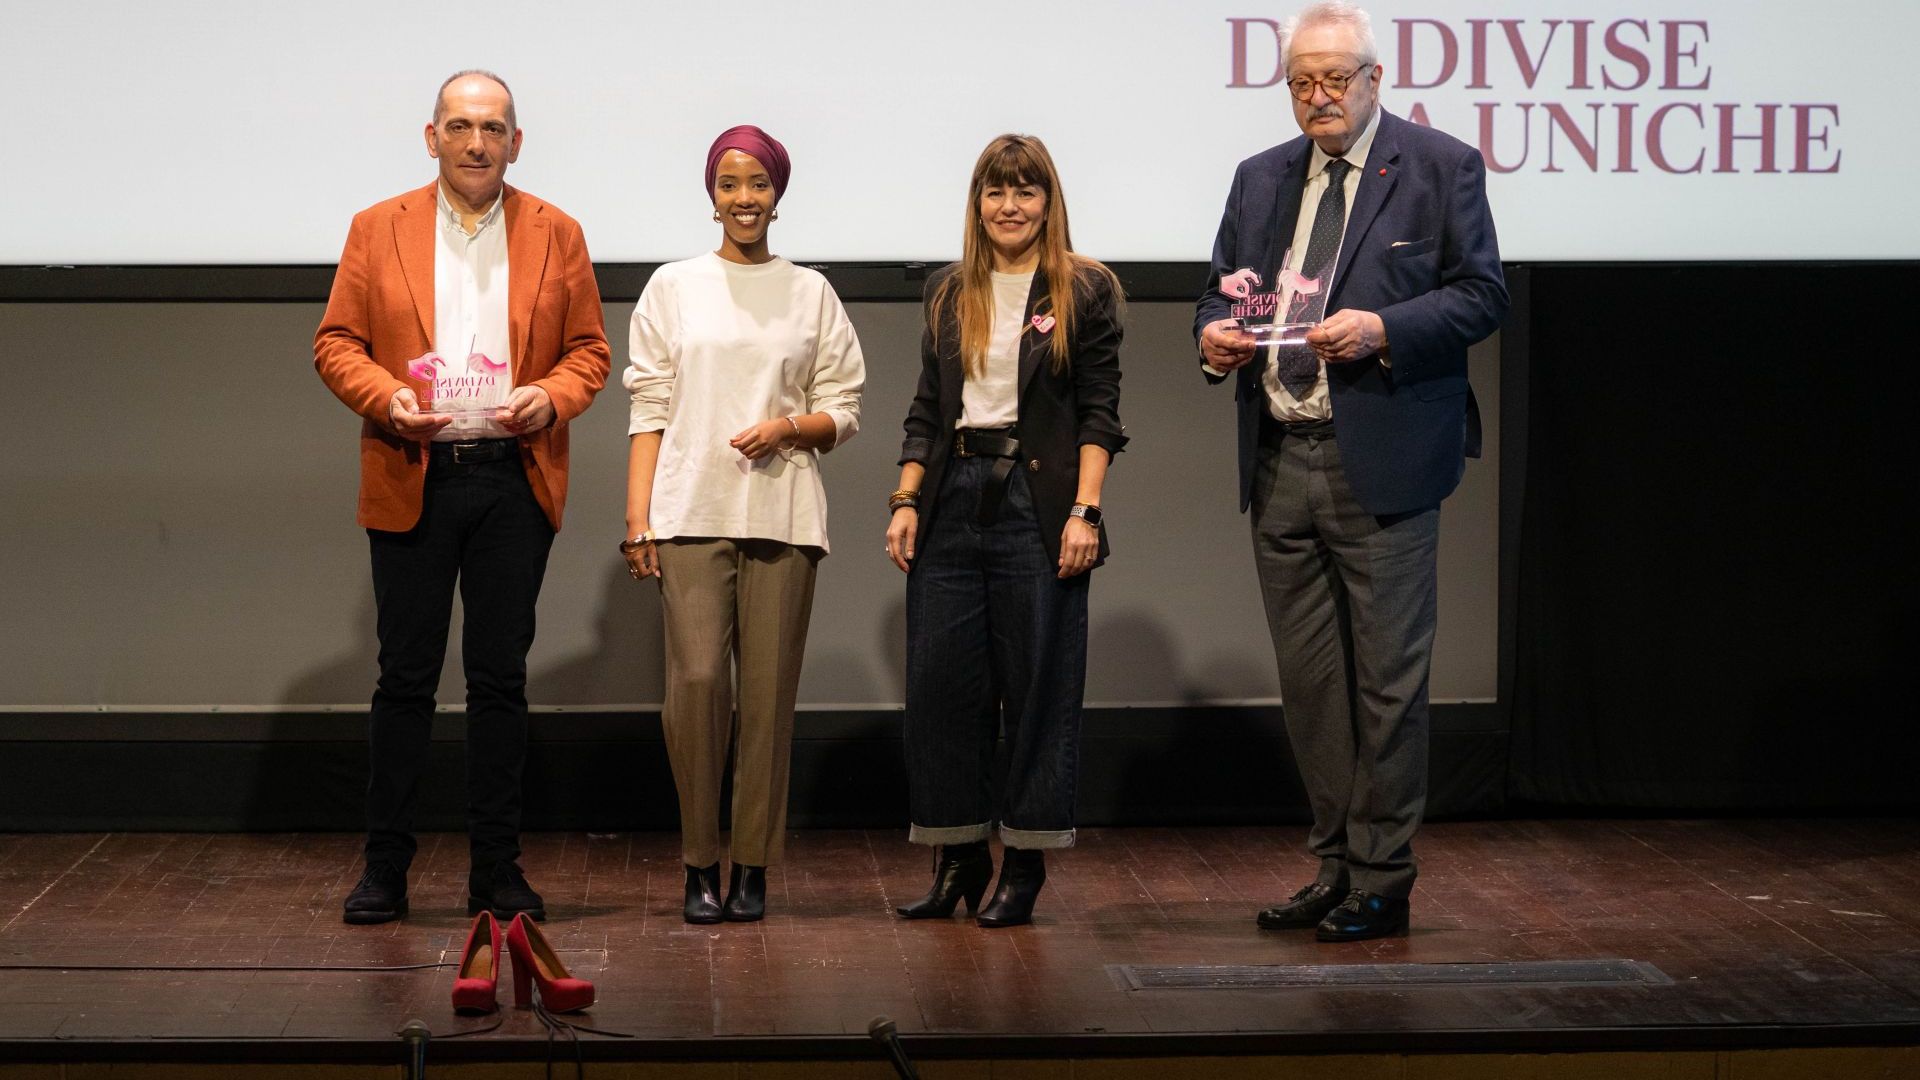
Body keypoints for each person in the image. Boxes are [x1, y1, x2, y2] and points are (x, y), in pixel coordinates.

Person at [1194, 1, 1508, 942]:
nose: (1319, 97)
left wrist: (1383, 329)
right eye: (1302, 82)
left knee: (1387, 686)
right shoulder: (1260, 178)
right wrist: (1214, 338)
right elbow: (1220, 291)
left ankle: (1383, 877)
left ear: (1375, 79)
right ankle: (1333, 866)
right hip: (1279, 457)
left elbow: (1482, 294)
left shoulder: (1441, 166)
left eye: (1335, 79)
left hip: (1384, 460)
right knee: (1313, 688)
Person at [315, 71, 611, 925]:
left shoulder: (558, 231)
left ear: (516, 142)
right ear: (431, 136)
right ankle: (385, 872)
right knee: (404, 682)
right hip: (413, 471)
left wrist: (551, 396)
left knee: (499, 683)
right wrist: (387, 399)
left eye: (492, 128)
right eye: (460, 126)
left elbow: (589, 352)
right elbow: (337, 342)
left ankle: (497, 873)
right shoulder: (376, 227)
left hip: (512, 478)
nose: (476, 142)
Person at [622, 125, 865, 925]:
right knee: (696, 687)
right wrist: (638, 520)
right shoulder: (674, 286)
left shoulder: (811, 292)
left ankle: (752, 864)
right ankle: (700, 860)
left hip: (783, 514)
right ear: (712, 194)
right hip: (689, 509)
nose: (744, 198)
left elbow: (845, 407)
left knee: (766, 700)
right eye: (729, 184)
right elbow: (648, 409)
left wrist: (788, 428)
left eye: (758, 183)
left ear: (777, 194)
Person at [888, 134, 1125, 928]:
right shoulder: (949, 289)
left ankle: (1023, 861)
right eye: (996, 191)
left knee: (1036, 685)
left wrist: (1085, 512)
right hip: (952, 496)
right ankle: (959, 856)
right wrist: (906, 498)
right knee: (942, 686)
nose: (1010, 206)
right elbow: (928, 408)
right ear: (977, 202)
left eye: (1025, 191)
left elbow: (1099, 413)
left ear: (1048, 202)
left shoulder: (1084, 289)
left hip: (1037, 501)